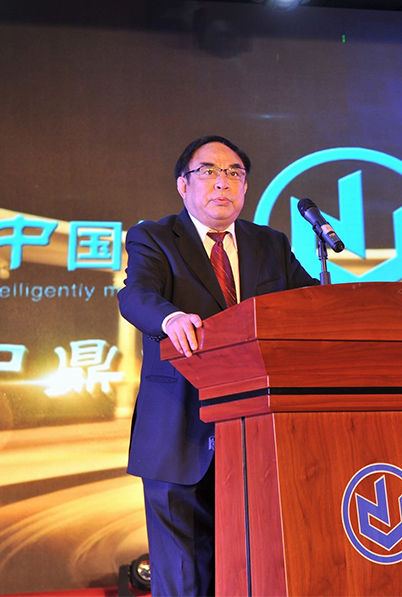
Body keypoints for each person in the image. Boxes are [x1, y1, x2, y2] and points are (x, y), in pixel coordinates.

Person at [118, 136, 318, 596]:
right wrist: (171, 319)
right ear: (183, 185)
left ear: (245, 187)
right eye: (208, 171)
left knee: (258, 571)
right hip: (179, 431)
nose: (222, 182)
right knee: (185, 579)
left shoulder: (269, 243)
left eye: (234, 173)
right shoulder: (154, 237)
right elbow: (136, 294)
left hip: (259, 437)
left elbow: (309, 303)